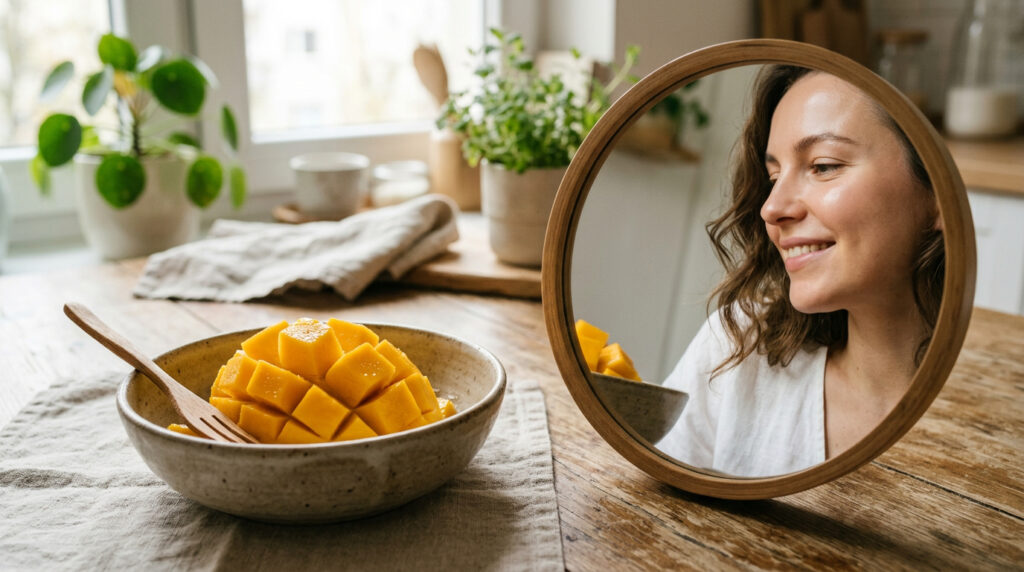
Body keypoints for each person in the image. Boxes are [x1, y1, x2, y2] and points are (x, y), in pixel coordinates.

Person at [656, 65, 944, 477]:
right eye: (774, 177)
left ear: (939, 192)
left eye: (823, 166)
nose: (772, 208)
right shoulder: (739, 349)